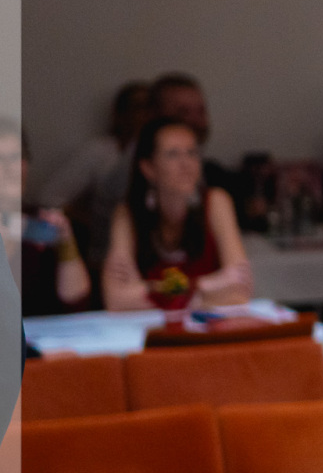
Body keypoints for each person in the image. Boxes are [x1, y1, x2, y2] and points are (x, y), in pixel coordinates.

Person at [102, 117, 252, 311]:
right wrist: (204, 285)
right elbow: (116, 299)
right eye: (173, 154)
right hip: (153, 328)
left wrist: (149, 291)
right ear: (148, 168)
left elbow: (240, 290)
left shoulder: (217, 202)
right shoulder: (127, 214)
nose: (186, 164)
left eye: (192, 153)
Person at [38, 80, 151, 271]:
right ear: (120, 115)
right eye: (140, 107)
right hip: (103, 256)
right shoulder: (100, 152)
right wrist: (91, 220)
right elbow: (48, 198)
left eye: (151, 107)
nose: (147, 114)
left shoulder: (160, 156)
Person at [0, 123, 91, 317]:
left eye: (16, 157)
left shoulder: (42, 223)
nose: (10, 168)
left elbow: (76, 304)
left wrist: (66, 242)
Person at [151, 73, 242, 202]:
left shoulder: (215, 176)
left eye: (201, 111)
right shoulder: (131, 180)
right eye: (183, 112)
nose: (196, 121)